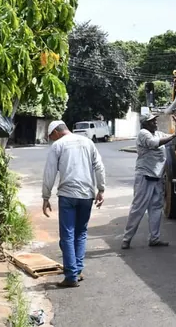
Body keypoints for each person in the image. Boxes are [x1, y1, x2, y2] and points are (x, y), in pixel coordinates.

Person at [42, 120, 106, 288]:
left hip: (68, 196)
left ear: (56, 132)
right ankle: (77, 271)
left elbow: (49, 172)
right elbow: (99, 166)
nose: (52, 140)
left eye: (51, 137)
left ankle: (71, 276)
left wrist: (45, 196)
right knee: (81, 233)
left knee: (68, 235)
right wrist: (101, 189)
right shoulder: (88, 142)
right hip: (86, 195)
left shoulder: (58, 146)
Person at [121, 113, 176, 249]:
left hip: (156, 176)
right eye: (152, 121)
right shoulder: (143, 133)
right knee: (138, 208)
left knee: (156, 207)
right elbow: (154, 144)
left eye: (155, 120)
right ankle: (127, 238)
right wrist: (174, 135)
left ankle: (154, 238)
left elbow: (172, 138)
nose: (155, 122)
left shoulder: (157, 133)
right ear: (145, 124)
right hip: (145, 176)